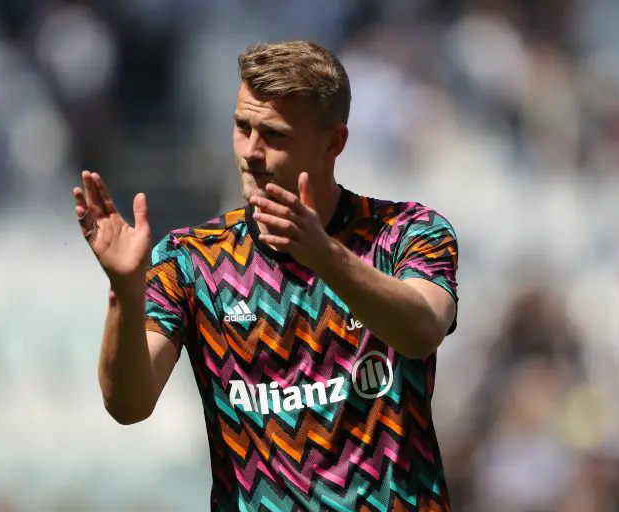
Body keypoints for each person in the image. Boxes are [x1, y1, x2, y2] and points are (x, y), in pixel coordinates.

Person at [73, 40, 459, 512]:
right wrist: (126, 294)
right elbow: (129, 405)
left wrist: (323, 255)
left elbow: (422, 330)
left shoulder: (407, 232)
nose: (251, 152)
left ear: (332, 143)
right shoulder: (191, 260)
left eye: (274, 135)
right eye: (242, 127)